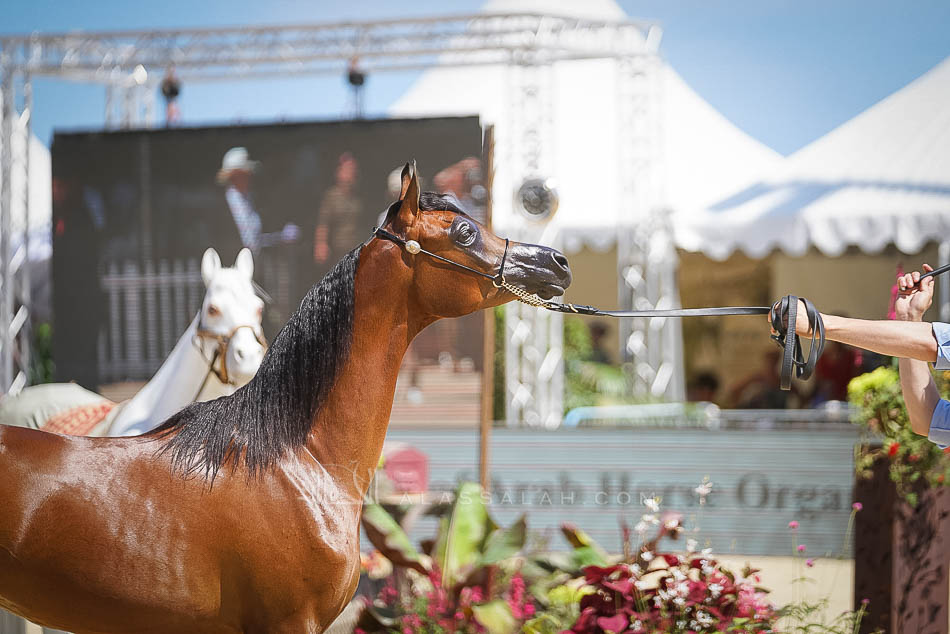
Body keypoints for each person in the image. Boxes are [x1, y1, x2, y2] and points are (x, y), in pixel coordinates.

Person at [778, 264, 947, 444]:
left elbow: (933, 344)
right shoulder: (827, 358)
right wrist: (910, 318)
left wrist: (820, 324)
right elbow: (927, 420)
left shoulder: (850, 357)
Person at [215, 146, 299, 258]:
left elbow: (255, 240)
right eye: (244, 174)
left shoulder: (251, 200)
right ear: (234, 176)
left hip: (253, 263)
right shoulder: (221, 206)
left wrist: (281, 237)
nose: (249, 177)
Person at [314, 152, 361, 267]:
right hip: (337, 251)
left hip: (356, 249)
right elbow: (323, 223)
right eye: (347, 169)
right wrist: (321, 244)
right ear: (338, 172)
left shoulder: (357, 197)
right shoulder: (331, 196)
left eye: (353, 169)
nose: (351, 173)